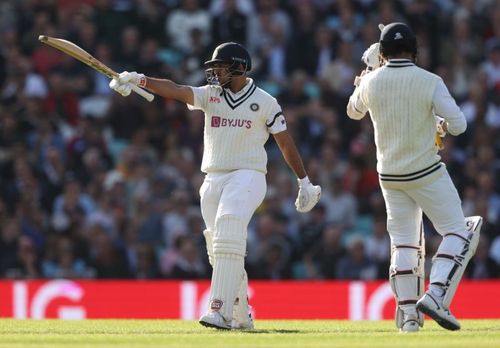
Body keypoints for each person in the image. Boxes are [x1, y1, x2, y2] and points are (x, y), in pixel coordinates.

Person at [109, 42, 321, 330]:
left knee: (229, 228)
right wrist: (139, 79)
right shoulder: (211, 95)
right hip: (213, 177)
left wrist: (303, 181)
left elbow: (284, 142)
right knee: (219, 248)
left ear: (240, 68)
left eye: (221, 67)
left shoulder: (266, 101)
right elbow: (177, 89)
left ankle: (218, 310)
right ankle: (241, 313)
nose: (216, 72)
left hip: (248, 174)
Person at [346, 22, 482, 332]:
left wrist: (368, 70)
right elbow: (459, 125)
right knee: (459, 232)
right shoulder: (430, 80)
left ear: (382, 53)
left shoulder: (371, 82)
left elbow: (353, 111)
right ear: (415, 50)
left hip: (389, 175)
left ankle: (409, 318)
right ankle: (435, 295)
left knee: (405, 245)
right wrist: (437, 123)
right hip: (426, 172)